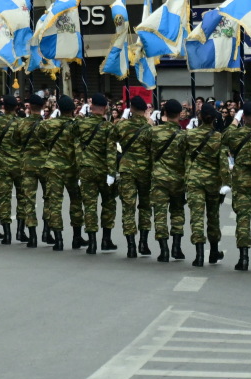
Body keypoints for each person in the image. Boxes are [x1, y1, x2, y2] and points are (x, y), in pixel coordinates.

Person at [222, 101, 251, 270]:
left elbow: (224, 136)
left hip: (241, 181)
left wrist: (235, 120)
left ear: (243, 118)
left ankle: (243, 258)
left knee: (243, 219)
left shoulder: (235, 134)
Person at [184, 104, 230, 267]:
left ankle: (198, 254)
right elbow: (223, 163)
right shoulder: (219, 137)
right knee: (213, 216)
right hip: (212, 181)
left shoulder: (190, 135)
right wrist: (226, 183)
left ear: (200, 117)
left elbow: (183, 154)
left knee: (196, 217)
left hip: (195, 180)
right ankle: (214, 251)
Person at [109, 95, 153, 258]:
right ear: (145, 110)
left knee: (128, 207)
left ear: (132, 109)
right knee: (145, 206)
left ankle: (131, 246)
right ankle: (144, 242)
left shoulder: (123, 125)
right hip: (145, 170)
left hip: (126, 169)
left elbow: (110, 141)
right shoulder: (150, 128)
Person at [38, 95, 83, 251]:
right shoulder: (76, 125)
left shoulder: (48, 124)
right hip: (71, 167)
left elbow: (40, 138)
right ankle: (77, 237)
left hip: (53, 166)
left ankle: (58, 239)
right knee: (76, 201)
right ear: (72, 110)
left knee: (54, 203)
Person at [76, 93, 117, 254]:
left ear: (91, 108)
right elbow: (111, 151)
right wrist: (112, 173)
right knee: (108, 204)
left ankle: (92, 242)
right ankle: (106, 240)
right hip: (103, 170)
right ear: (106, 108)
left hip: (86, 169)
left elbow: (76, 145)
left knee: (90, 206)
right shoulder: (108, 127)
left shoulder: (81, 124)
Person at [149, 99, 187, 263]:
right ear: (179, 115)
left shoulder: (153, 132)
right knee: (177, 212)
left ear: (164, 113)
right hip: (178, 179)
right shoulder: (183, 135)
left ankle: (163, 249)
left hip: (159, 178)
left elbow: (148, 153)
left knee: (160, 213)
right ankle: (176, 247)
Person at [0, 96, 23, 244]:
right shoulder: (20, 123)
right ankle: (21, 231)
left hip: (1, 163)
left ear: (3, 107)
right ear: (16, 107)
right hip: (18, 165)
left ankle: (7, 233)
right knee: (22, 197)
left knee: (3, 198)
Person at [13, 95, 46, 248]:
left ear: (29, 107)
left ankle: (32, 235)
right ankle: (47, 230)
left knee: (28, 200)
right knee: (49, 199)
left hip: (27, 165)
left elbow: (16, 141)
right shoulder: (46, 125)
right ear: (43, 106)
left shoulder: (21, 124)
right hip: (44, 165)